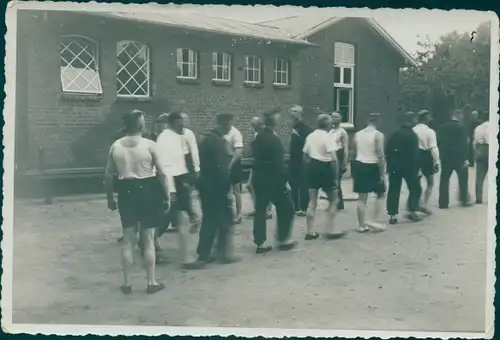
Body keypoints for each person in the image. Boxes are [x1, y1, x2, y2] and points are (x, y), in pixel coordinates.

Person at [104, 109, 168, 295]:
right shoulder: (149, 145)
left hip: (126, 191)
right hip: (148, 189)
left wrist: (110, 198)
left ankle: (126, 283)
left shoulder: (116, 146)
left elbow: (108, 175)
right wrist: (166, 196)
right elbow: (162, 174)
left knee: (128, 239)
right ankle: (151, 282)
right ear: (140, 125)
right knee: (147, 239)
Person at [185, 113, 239, 269]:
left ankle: (214, 253)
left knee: (216, 219)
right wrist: (226, 185)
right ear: (225, 123)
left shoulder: (208, 138)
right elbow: (220, 167)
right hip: (215, 187)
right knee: (217, 219)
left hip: (207, 186)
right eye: (229, 124)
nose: (230, 127)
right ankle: (210, 254)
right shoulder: (216, 141)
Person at [156, 111, 198, 268]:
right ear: (172, 123)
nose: (184, 128)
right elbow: (164, 168)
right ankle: (147, 242)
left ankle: (187, 257)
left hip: (180, 181)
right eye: (181, 125)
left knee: (180, 219)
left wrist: (187, 180)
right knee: (165, 220)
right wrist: (171, 192)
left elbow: (183, 160)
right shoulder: (164, 139)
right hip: (170, 184)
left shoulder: (180, 136)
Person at [252, 107, 296, 254]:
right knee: (287, 208)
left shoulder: (259, 136)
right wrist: (285, 181)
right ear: (274, 121)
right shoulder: (273, 138)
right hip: (274, 181)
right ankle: (282, 239)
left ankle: (260, 243)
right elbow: (279, 164)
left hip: (260, 179)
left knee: (260, 210)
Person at [303, 114, 345, 240]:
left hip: (312, 167)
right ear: (328, 125)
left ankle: (310, 231)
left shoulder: (310, 136)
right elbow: (334, 159)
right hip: (325, 168)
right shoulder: (328, 137)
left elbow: (304, 156)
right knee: (334, 199)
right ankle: (330, 230)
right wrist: (336, 177)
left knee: (312, 202)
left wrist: (310, 167)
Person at [352, 112, 387, 232]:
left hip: (360, 165)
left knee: (362, 198)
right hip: (373, 166)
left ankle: (361, 225)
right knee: (381, 194)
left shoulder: (357, 134)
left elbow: (354, 151)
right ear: (378, 122)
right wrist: (382, 173)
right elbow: (380, 154)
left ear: (367, 121)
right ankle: (373, 219)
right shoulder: (378, 135)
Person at [385, 111, 422, 224]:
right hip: (409, 167)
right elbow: (415, 154)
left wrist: (390, 163)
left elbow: (387, 150)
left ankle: (392, 215)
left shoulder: (395, 134)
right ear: (412, 121)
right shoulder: (413, 136)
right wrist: (417, 168)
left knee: (394, 190)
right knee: (416, 188)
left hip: (395, 166)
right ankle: (412, 210)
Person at [437, 109, 472, 209]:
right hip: (459, 158)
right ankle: (464, 200)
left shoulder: (443, 127)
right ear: (459, 116)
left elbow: (439, 142)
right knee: (463, 179)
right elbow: (463, 144)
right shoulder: (461, 128)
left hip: (446, 158)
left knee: (444, 179)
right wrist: (465, 158)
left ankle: (443, 203)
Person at [413, 110, 440, 215]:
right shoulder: (430, 131)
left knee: (416, 182)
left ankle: (417, 203)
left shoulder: (413, 130)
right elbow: (433, 148)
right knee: (430, 182)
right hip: (426, 156)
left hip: (415, 156)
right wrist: (436, 161)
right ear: (426, 119)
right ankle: (423, 204)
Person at [246, 117, 272, 219]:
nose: (253, 129)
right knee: (250, 186)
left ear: (260, 125)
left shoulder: (269, 134)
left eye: (254, 126)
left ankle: (268, 212)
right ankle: (259, 209)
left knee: (266, 187)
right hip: (256, 164)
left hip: (266, 165)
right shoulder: (257, 134)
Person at [289, 105, 312, 216]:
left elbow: (308, 143)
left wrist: (298, 137)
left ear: (300, 113)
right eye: (291, 111)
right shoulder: (294, 126)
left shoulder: (304, 128)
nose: (292, 114)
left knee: (303, 185)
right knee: (293, 184)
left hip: (302, 161)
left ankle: (304, 207)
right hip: (293, 160)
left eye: (295, 111)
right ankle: (295, 207)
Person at [224, 121, 244, 225]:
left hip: (234, 164)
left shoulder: (235, 133)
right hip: (223, 164)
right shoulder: (221, 132)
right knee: (226, 191)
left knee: (237, 191)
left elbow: (238, 152)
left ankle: (238, 215)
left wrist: (230, 165)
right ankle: (228, 214)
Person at [329, 112, 349, 210]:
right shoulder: (330, 131)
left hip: (338, 156)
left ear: (340, 118)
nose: (334, 118)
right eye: (332, 117)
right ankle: (334, 202)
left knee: (337, 181)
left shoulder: (342, 132)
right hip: (330, 156)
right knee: (331, 181)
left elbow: (345, 148)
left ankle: (338, 203)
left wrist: (344, 162)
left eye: (336, 117)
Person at [473, 112, 490, 204]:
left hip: (480, 149)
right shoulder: (494, 127)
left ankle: (478, 198)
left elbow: (475, 141)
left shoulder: (478, 128)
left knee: (479, 177)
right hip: (490, 149)